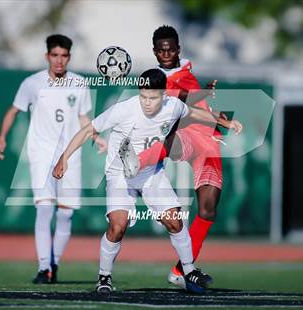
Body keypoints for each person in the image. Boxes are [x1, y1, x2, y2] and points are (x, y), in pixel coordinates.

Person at [53, 69, 221, 293]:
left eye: (153, 97)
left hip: (151, 173)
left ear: (164, 94)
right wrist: (64, 157)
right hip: (120, 175)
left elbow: (192, 112)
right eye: (143, 96)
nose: (147, 102)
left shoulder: (173, 105)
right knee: (118, 226)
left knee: (175, 221)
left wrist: (221, 122)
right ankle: (104, 277)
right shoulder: (124, 109)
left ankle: (189, 271)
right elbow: (87, 130)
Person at [120, 26, 243, 289]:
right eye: (161, 49)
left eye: (171, 48)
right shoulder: (156, 79)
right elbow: (178, 101)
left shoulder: (186, 71)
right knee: (172, 143)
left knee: (208, 211)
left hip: (209, 141)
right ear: (155, 51)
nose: (166, 53)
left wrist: (208, 102)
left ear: (178, 48)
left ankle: (179, 271)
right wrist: (206, 101)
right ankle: (136, 163)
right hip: (187, 136)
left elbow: (191, 99)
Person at [0, 34, 106, 284]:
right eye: (54, 55)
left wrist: (95, 137)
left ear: (69, 57)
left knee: (65, 215)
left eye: (64, 55)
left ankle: (54, 262)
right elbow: (13, 111)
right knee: (44, 209)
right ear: (47, 56)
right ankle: (44, 267)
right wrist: (2, 138)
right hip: (41, 153)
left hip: (70, 157)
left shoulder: (79, 83)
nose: (59, 60)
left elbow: (83, 118)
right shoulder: (32, 83)